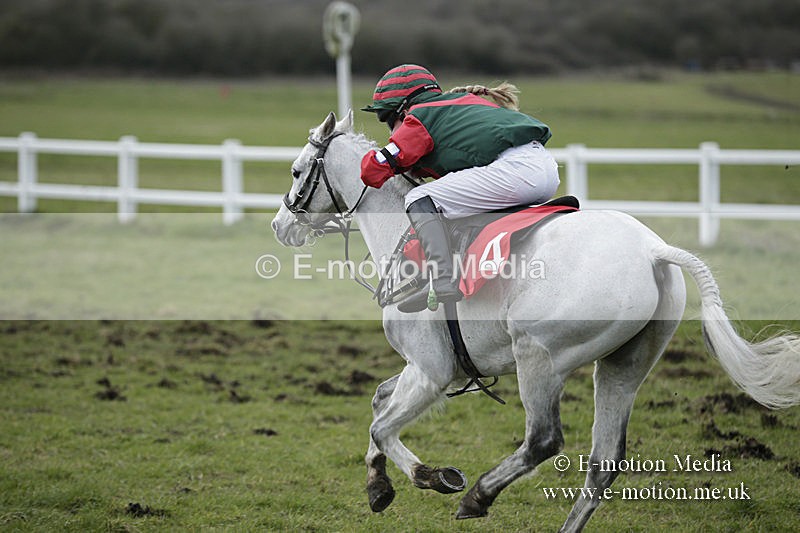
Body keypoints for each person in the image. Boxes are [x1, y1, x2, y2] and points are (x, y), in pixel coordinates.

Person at [360, 64, 560, 313]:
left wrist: (363, 154)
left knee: (419, 196)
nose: (391, 129)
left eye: (388, 119)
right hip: (545, 169)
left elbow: (373, 170)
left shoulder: (420, 116)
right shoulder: (463, 103)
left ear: (402, 108)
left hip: (516, 172)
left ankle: (441, 281)